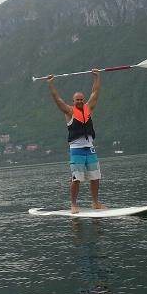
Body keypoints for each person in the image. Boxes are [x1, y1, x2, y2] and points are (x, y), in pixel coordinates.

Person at [47, 69, 106, 213]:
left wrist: (97, 77)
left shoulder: (88, 108)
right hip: (76, 150)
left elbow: (95, 92)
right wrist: (51, 84)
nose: (79, 101)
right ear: (73, 102)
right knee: (76, 179)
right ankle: (73, 204)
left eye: (81, 99)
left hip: (90, 148)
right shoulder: (69, 111)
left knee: (95, 177)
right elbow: (57, 99)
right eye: (77, 100)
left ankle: (95, 203)